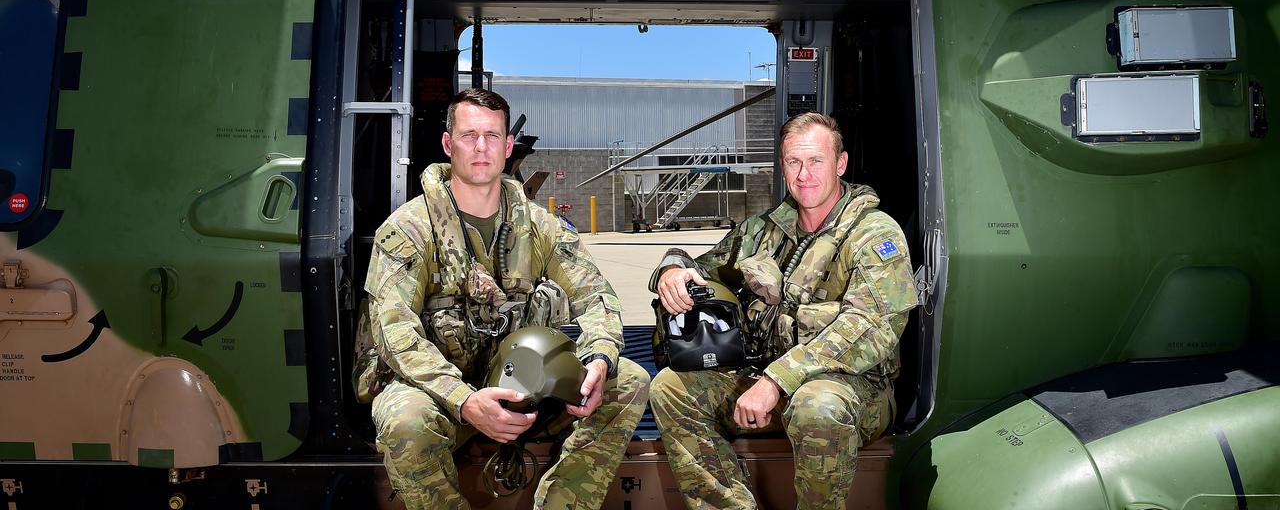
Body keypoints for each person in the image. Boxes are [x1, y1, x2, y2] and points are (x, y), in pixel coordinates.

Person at [364, 88, 649, 510]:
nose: (481, 147)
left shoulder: (537, 226)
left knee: (628, 380)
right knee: (405, 420)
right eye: (468, 135)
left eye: (492, 136)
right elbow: (394, 331)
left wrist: (600, 359)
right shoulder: (409, 229)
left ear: (508, 146)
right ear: (448, 144)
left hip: (523, 388)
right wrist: (464, 400)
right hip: (442, 396)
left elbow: (597, 298)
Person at [649, 112, 918, 510]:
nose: (804, 174)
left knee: (817, 406)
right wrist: (672, 269)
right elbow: (704, 264)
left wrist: (776, 380)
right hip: (767, 384)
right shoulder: (765, 230)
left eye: (816, 161)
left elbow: (870, 330)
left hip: (852, 391)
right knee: (671, 388)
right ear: (783, 165)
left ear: (840, 164)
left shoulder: (874, 234)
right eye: (794, 162)